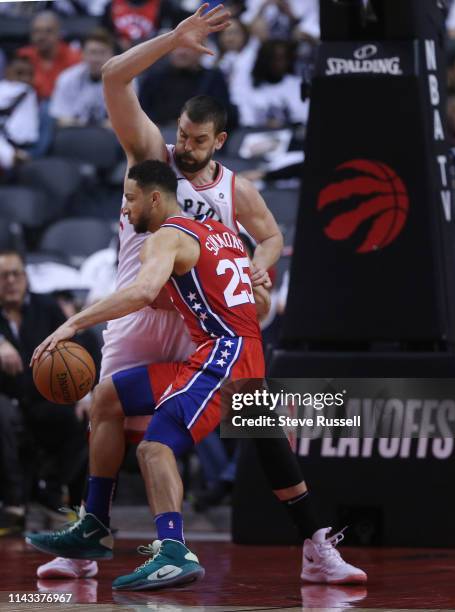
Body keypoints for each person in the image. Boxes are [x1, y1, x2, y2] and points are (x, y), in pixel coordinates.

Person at [29, 4, 365, 586]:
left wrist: (261, 268)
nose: (185, 146)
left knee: (256, 423)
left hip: (199, 323)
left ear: (220, 141)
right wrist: (173, 38)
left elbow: (272, 237)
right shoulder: (152, 160)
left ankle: (308, 542)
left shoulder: (236, 188)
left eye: (197, 139)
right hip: (140, 308)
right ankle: (91, 541)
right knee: (107, 408)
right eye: (181, 134)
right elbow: (112, 76)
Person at [28, 159, 266, 590]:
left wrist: (73, 323)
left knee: (154, 448)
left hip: (226, 357)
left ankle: (174, 551)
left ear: (155, 198)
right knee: (106, 397)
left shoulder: (168, 236)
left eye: (131, 199)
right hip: (227, 353)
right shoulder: (219, 232)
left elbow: (140, 292)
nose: (125, 209)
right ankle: (93, 525)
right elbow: (191, 297)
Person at [0, 250, 88, 531]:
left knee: (86, 417)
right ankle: (15, 502)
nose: (10, 281)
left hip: (42, 396)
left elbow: (75, 350)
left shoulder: (46, 307)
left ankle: (51, 493)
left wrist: (84, 393)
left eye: (16, 274)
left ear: (26, 277)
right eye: (3, 276)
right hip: (6, 398)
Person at [49, 29, 114, 127]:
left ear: (111, 55)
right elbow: (61, 118)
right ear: (83, 54)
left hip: (110, 137)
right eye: (92, 52)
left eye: (102, 53)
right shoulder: (67, 78)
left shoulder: (125, 81)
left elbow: (127, 122)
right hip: (76, 135)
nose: (96, 59)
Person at [18, 11, 81, 100]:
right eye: (37, 31)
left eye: (48, 31)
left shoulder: (74, 57)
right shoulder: (23, 56)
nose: (41, 36)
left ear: (59, 33)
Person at [0, 55, 38, 172]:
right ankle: (11, 156)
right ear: (7, 72)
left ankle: (12, 157)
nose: (25, 78)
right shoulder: (4, 86)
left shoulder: (27, 91)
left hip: (19, 142)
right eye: (20, 73)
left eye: (29, 75)